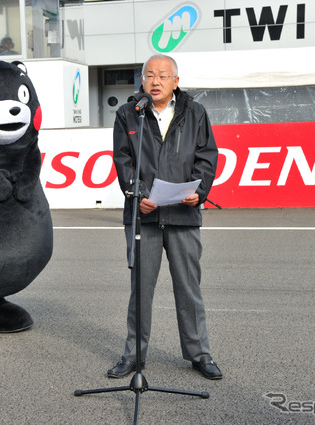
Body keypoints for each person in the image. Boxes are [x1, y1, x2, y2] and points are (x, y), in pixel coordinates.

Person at [109, 54, 221, 380]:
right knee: (140, 292)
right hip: (143, 217)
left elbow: (206, 156)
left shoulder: (195, 113)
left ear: (175, 81)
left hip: (183, 214)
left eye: (162, 75)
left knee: (189, 290)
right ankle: (133, 356)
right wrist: (138, 194)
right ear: (142, 80)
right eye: (149, 75)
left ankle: (200, 354)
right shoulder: (130, 114)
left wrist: (199, 190)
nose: (155, 81)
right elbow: (123, 161)